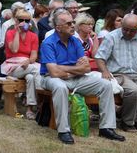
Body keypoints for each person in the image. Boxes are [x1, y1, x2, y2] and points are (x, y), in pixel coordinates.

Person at [39, 9, 125, 145]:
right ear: (58, 27)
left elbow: (86, 68)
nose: (73, 25)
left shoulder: (75, 41)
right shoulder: (48, 43)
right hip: (50, 78)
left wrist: (66, 70)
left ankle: (106, 128)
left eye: (73, 22)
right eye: (68, 23)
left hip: (75, 78)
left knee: (106, 84)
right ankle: (64, 131)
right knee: (60, 87)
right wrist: (74, 69)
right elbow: (53, 72)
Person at [95, 14, 137, 132]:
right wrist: (104, 71)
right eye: (125, 29)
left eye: (132, 31)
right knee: (134, 90)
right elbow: (100, 57)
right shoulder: (111, 37)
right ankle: (127, 122)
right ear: (121, 25)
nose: (128, 32)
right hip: (117, 74)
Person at [2, 9, 40, 120]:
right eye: (21, 20)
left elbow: (33, 56)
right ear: (16, 20)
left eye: (27, 20)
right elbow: (14, 49)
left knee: (31, 77)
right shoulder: (10, 33)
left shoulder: (33, 36)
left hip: (28, 65)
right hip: (12, 65)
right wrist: (18, 32)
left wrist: (28, 61)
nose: (24, 23)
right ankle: (42, 96)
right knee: (38, 70)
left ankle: (29, 109)